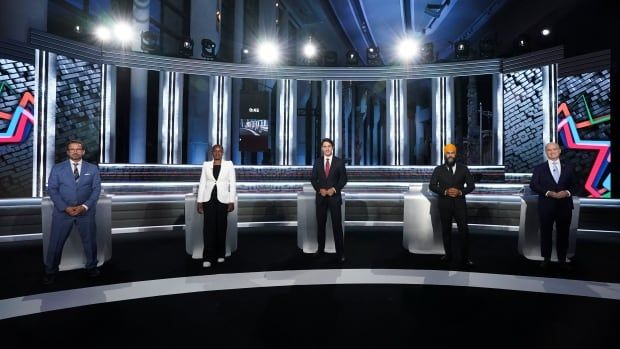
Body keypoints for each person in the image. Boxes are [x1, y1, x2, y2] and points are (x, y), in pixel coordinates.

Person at [43, 140, 102, 284]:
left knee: (90, 242)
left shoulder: (93, 169)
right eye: (72, 149)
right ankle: (51, 270)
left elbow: (96, 190)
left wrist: (85, 206)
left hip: (85, 212)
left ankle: (92, 266)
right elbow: (52, 189)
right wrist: (65, 207)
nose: (75, 151)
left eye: (78, 149)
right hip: (63, 212)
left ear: (83, 151)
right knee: (55, 243)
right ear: (68, 152)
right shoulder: (57, 168)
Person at [529, 142, 576, 269]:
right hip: (546, 205)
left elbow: (576, 184)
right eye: (549, 150)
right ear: (546, 152)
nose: (552, 152)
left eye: (555, 149)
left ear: (559, 151)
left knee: (563, 233)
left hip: (564, 205)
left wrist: (566, 192)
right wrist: (548, 193)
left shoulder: (569, 167)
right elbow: (533, 184)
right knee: (546, 233)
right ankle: (546, 258)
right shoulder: (539, 168)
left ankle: (562, 259)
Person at [429, 143, 475, 268]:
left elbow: (471, 186)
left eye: (452, 153)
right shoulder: (438, 169)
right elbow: (432, 185)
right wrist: (445, 191)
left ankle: (465, 258)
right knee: (446, 231)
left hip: (460, 204)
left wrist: (460, 192)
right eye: (448, 153)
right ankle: (448, 255)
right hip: (444, 204)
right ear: (445, 154)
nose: (450, 155)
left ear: (456, 154)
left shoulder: (463, 168)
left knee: (464, 231)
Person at [196, 144, 236, 268]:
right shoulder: (206, 165)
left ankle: (220, 254)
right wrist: (199, 201)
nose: (217, 153)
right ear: (212, 153)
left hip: (223, 200)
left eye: (220, 151)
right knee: (208, 229)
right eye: (215, 151)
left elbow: (232, 183)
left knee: (221, 228)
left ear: (222, 152)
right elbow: (202, 183)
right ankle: (207, 257)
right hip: (209, 200)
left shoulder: (229, 164)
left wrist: (231, 201)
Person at [310, 138, 348, 263]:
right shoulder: (317, 162)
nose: (327, 148)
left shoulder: (339, 162)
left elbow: (343, 180)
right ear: (322, 148)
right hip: (321, 198)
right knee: (320, 226)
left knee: (337, 227)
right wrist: (319, 189)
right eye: (324, 146)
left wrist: (334, 189)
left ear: (332, 147)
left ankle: (340, 253)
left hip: (334, 198)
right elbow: (313, 179)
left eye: (329, 146)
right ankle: (320, 250)